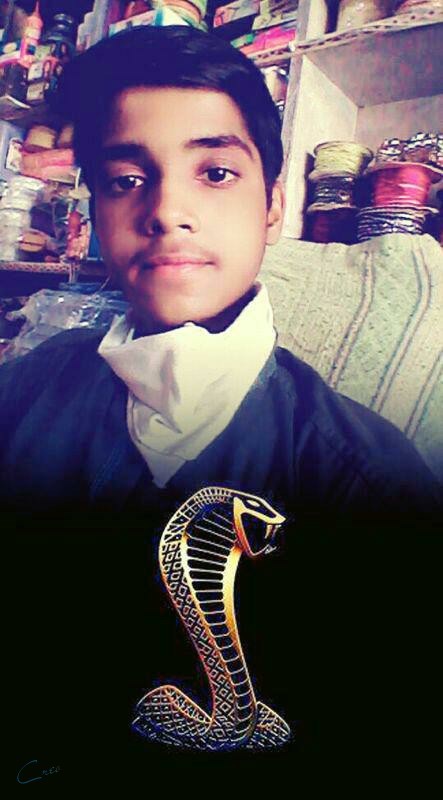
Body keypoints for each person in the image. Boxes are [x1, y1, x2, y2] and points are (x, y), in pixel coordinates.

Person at [3, 26, 441, 790]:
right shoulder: (21, 394)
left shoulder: (370, 485)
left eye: (214, 172)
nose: (167, 210)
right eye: (126, 179)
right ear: (95, 209)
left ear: (272, 204)